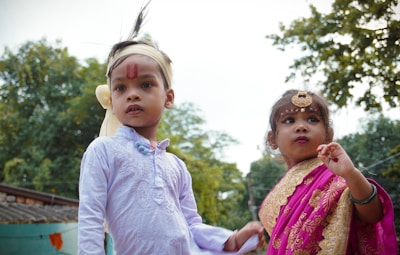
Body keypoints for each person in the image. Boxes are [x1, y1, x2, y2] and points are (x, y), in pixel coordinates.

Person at [78, 4, 265, 255]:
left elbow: (191, 226)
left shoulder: (176, 166)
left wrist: (230, 241)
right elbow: (90, 219)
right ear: (111, 100)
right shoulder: (102, 151)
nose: (132, 95)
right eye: (121, 88)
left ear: (168, 97)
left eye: (145, 84)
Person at [258, 89, 398, 254]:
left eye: (312, 119)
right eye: (289, 120)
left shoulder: (336, 173)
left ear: (328, 135)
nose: (301, 126)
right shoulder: (278, 195)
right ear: (272, 139)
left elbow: (373, 215)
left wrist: (351, 174)